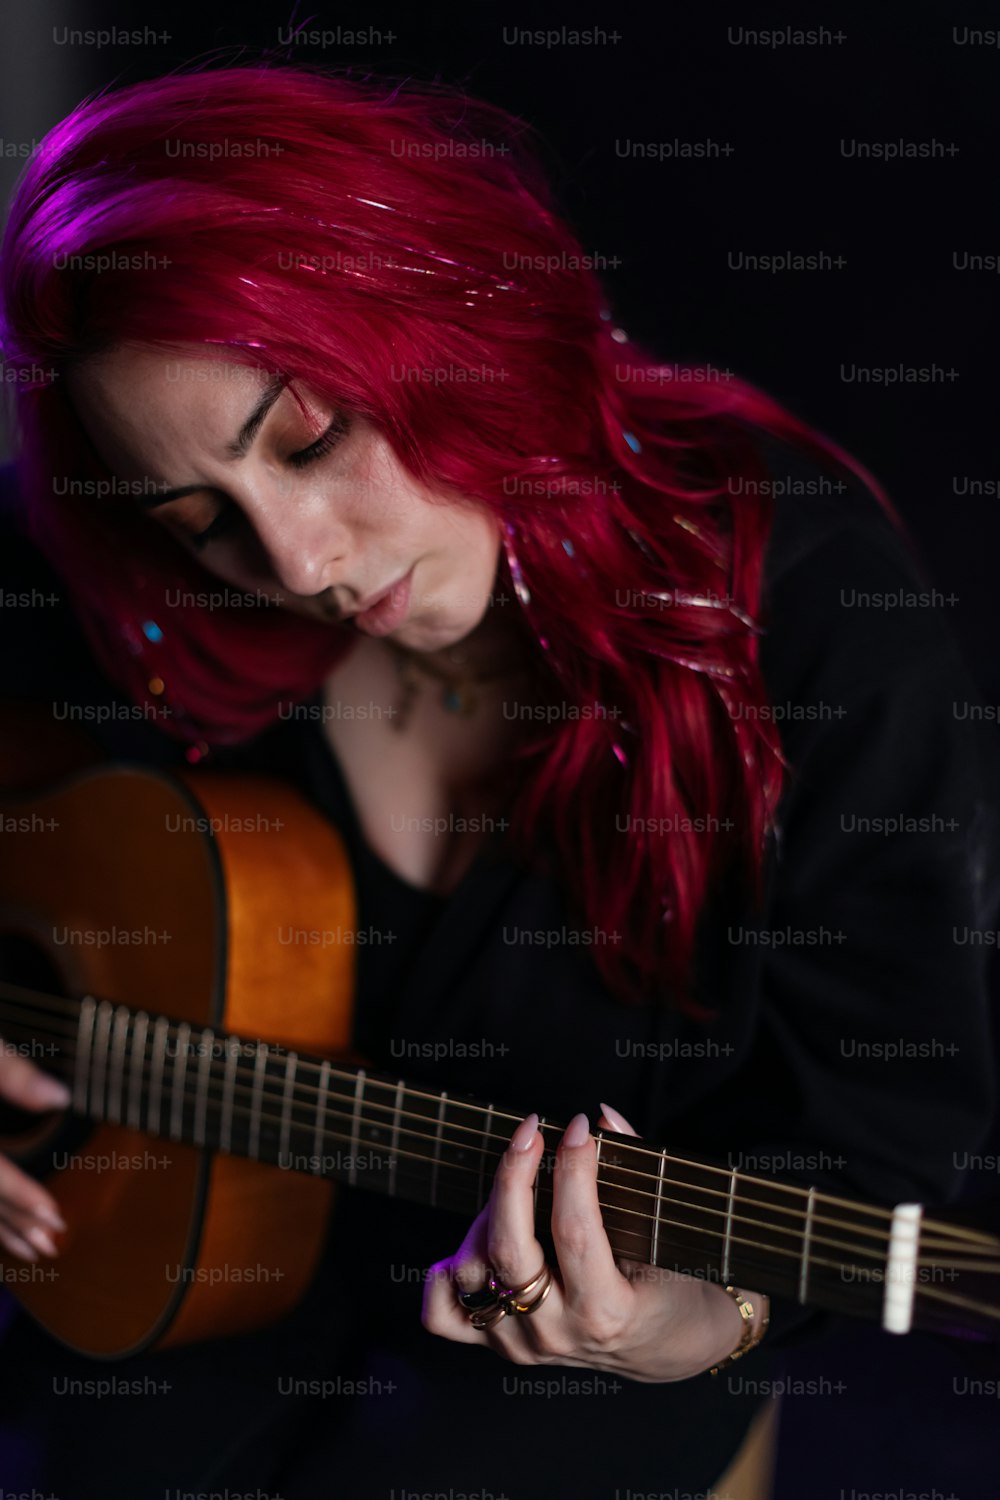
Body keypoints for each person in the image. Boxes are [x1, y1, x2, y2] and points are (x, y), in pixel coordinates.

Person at [0, 60, 994, 1499]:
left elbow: (879, 1130)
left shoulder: (815, 612)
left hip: (560, 1381)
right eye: (201, 517)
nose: (297, 565)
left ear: (454, 315)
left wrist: (688, 1320)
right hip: (173, 1298)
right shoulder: (131, 599)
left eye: (314, 437)